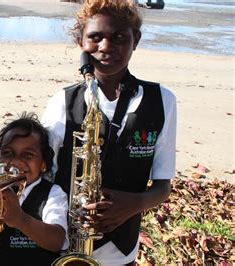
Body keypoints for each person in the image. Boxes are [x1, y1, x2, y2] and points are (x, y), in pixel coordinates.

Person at [41, 0, 176, 265]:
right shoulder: (62, 102)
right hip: (65, 245)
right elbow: (43, 175)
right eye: (95, 37)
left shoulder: (162, 101)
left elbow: (163, 187)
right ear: (81, 41)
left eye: (118, 38)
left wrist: (134, 204)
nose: (106, 47)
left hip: (121, 251)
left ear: (135, 40)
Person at [0, 112, 69, 266]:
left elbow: (57, 240)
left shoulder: (52, 194)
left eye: (28, 155)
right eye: (7, 153)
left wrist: (21, 219)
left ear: (44, 164)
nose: (15, 161)